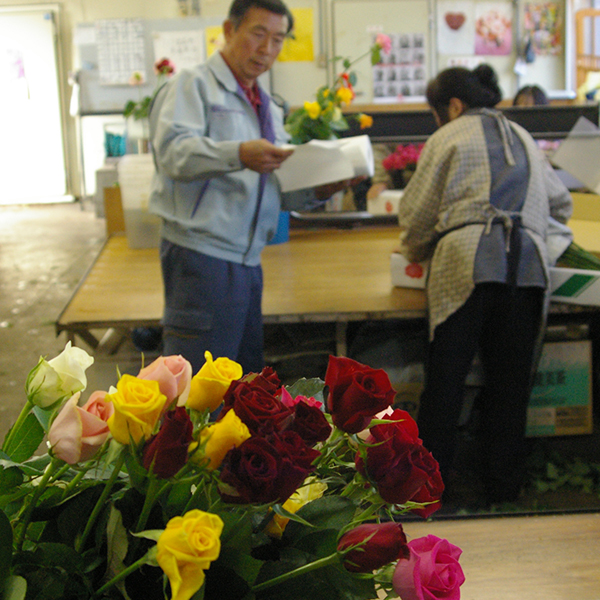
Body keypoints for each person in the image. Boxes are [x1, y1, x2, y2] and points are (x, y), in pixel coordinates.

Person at [397, 65, 573, 506]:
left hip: (465, 266)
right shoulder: (525, 137)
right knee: (510, 388)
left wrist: (416, 250)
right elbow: (561, 204)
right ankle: (503, 492)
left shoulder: (448, 135)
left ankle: (431, 495)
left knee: (447, 383)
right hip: (529, 268)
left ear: (452, 107)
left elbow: (415, 217)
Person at [148, 0, 353, 374]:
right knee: (195, 386)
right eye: (258, 34)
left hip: (248, 260)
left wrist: (318, 190)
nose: (267, 49)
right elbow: (172, 154)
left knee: (243, 381)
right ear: (229, 31)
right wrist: (239, 153)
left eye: (278, 39)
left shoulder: (269, 107)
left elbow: (273, 185)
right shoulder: (193, 85)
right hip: (200, 255)